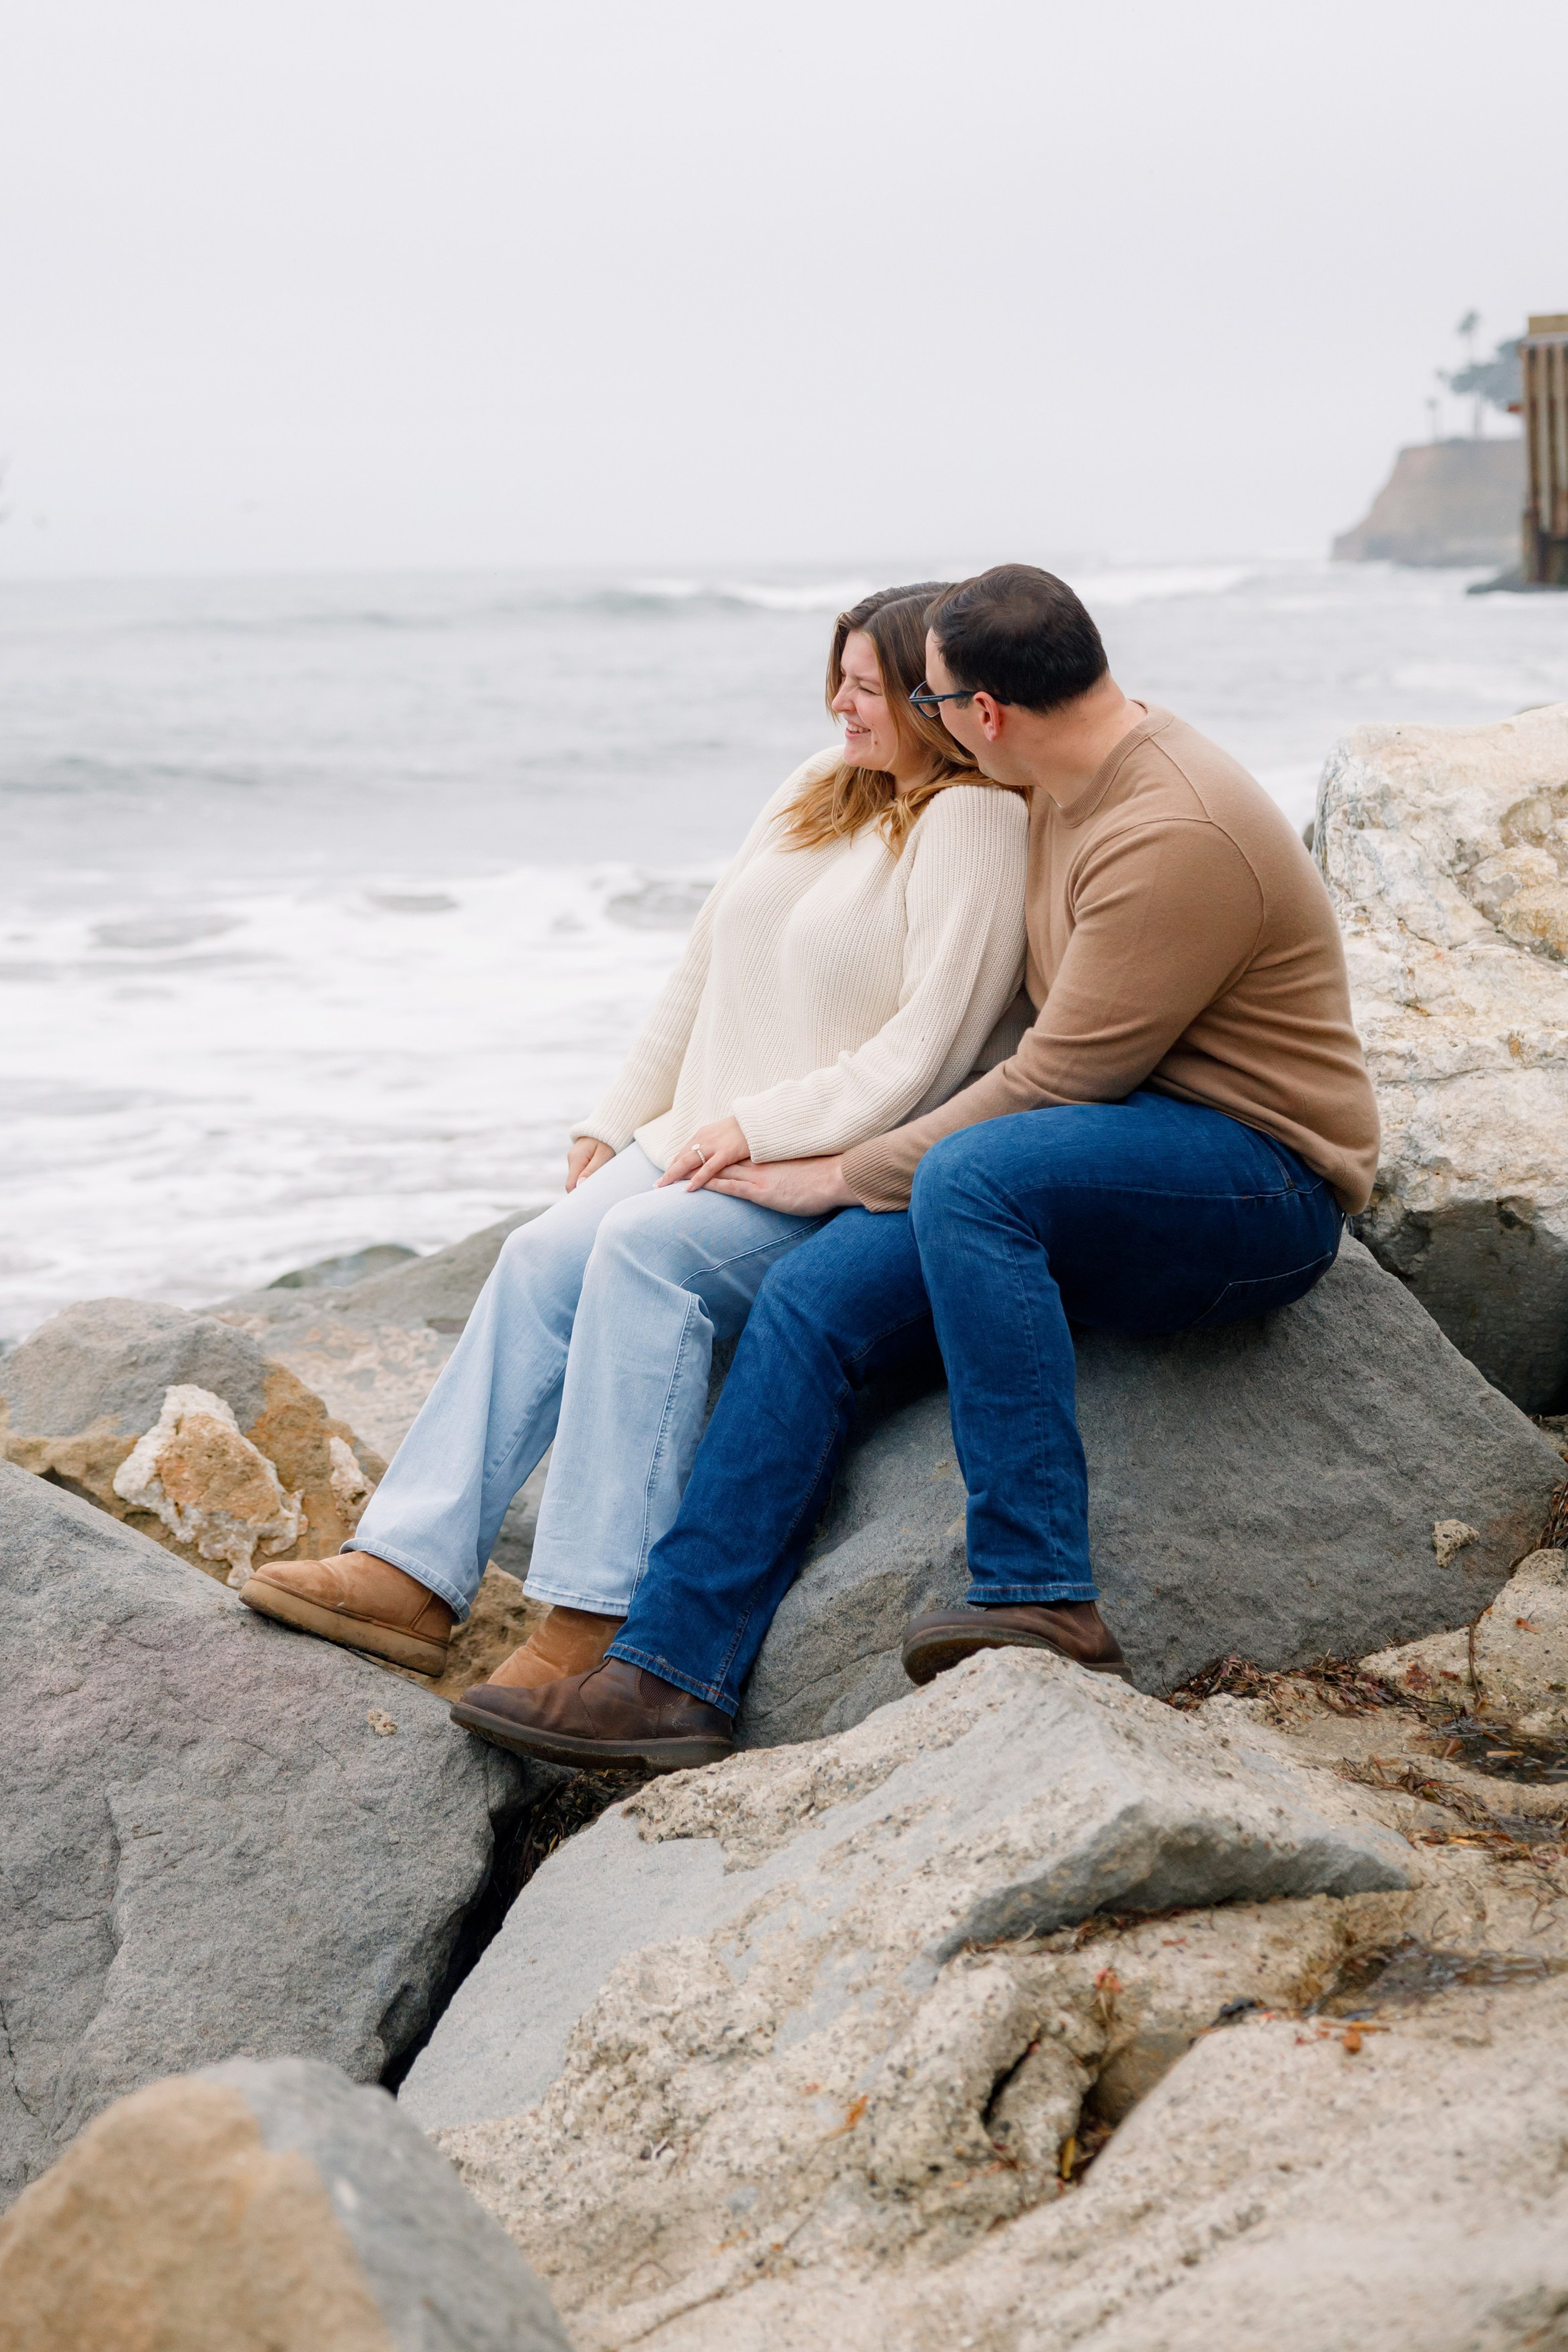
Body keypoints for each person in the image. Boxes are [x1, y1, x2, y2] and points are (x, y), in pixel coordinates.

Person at [450, 562, 1381, 1771]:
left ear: (987, 713)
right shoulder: (1044, 772)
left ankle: (1041, 1583)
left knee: (964, 1181)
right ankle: (670, 1677)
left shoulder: (1173, 831)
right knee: (814, 1296)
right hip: (1104, 1155)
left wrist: (839, 1170)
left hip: (1256, 1178)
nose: (925, 726)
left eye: (934, 704)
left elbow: (1057, 1082)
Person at [242, 581, 1030, 1684]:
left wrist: (761, 1126)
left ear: (929, 699)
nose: (840, 707)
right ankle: (411, 1570)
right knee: (537, 1253)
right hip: (705, 1129)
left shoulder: (978, 822)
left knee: (640, 1257)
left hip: (822, 1161)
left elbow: (927, 1048)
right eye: (835, 680)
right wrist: (616, 1116)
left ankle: (594, 1616)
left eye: (866, 688)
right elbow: (703, 966)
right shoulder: (821, 785)